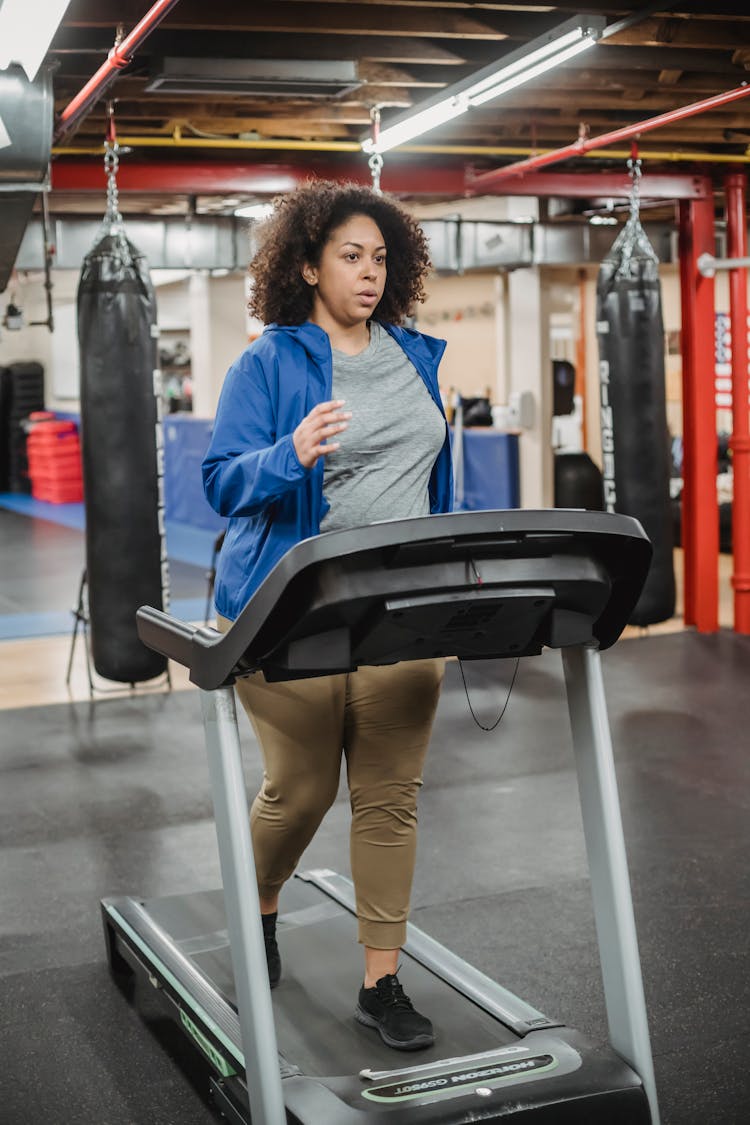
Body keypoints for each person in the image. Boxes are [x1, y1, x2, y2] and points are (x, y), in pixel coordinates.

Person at [202, 180, 453, 1051]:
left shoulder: (416, 355)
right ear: (307, 266)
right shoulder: (268, 364)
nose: (369, 272)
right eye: (350, 255)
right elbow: (219, 480)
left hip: (403, 614)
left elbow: (428, 477)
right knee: (301, 788)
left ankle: (382, 982)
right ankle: (260, 903)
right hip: (292, 613)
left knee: (389, 800)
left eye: (381, 257)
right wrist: (289, 453)